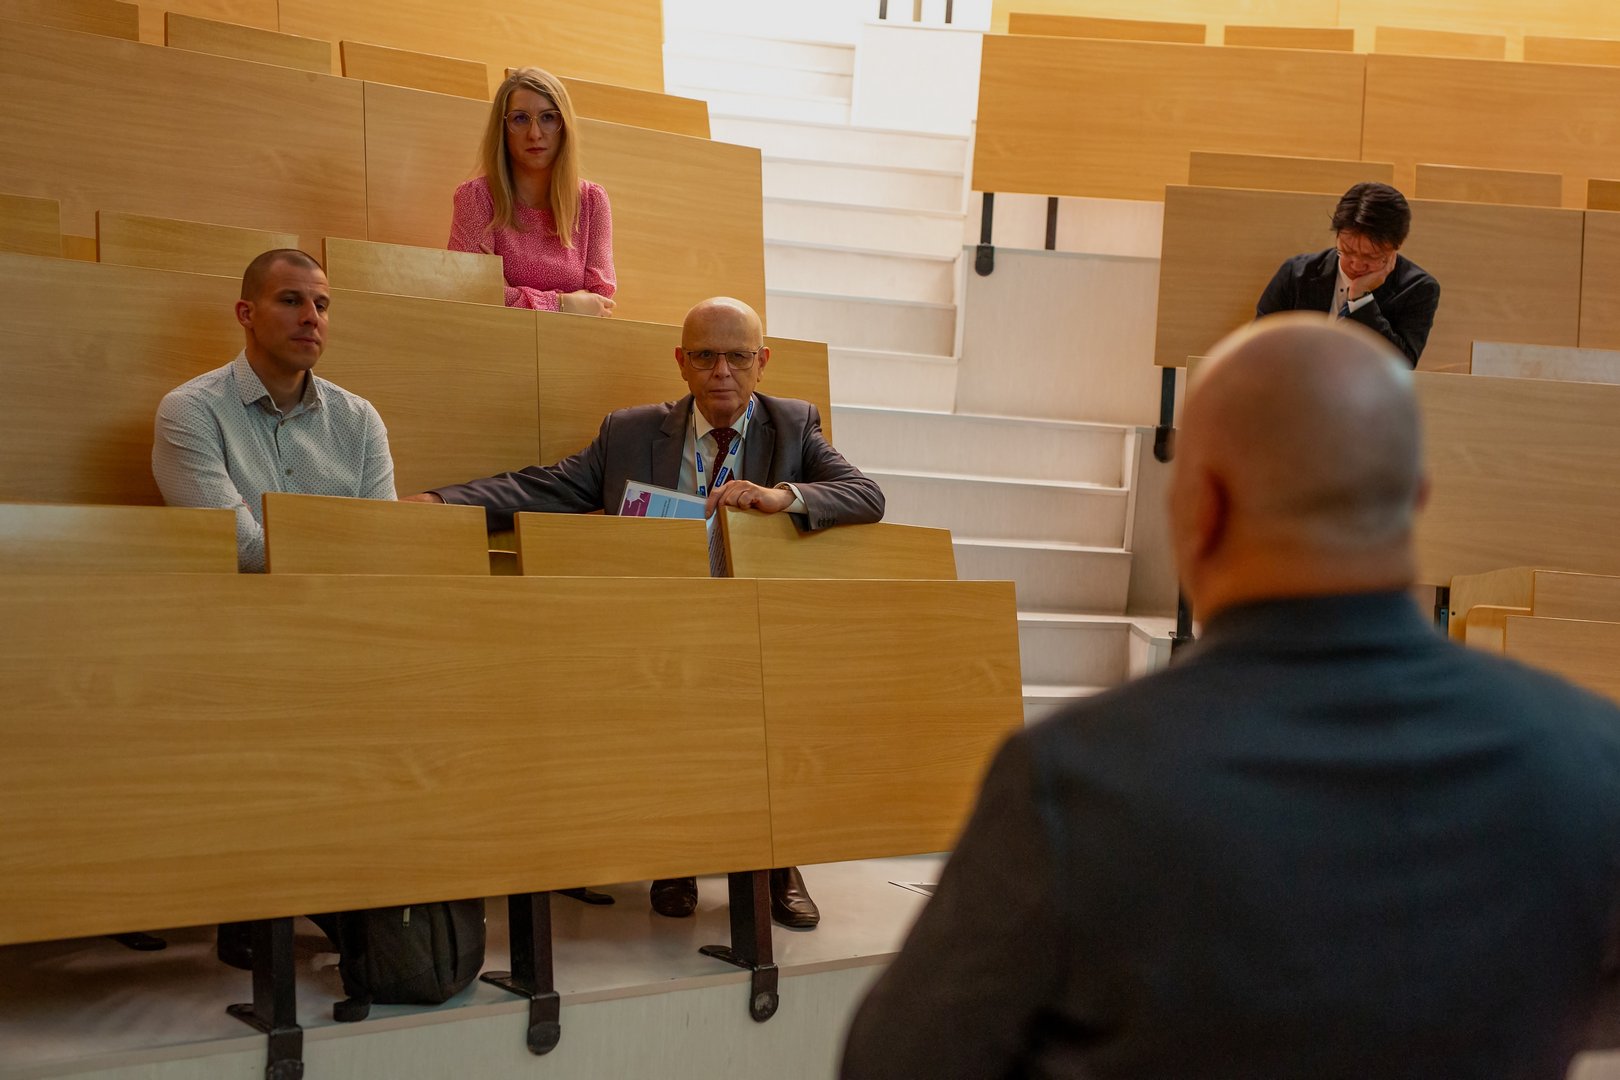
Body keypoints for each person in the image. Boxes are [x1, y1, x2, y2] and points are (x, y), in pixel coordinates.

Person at [840, 314, 1620, 1080]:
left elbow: (896, 1064)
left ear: (1202, 508)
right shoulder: (1591, 755)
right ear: (1415, 500)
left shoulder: (1074, 780)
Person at [404, 295, 885, 928]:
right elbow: (546, 486)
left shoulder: (793, 424)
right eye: (705, 356)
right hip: (658, 621)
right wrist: (441, 504)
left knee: (774, 689)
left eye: (738, 357)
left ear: (762, 362)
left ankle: (777, 859)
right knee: (649, 685)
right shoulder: (629, 432)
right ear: (681, 362)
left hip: (755, 622)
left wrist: (781, 496)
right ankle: (674, 856)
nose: (722, 371)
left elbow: (865, 494)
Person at [153, 249, 396, 575]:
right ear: (246, 314)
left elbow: (385, 541)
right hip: (236, 603)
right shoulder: (192, 410)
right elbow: (239, 548)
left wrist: (365, 551)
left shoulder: (360, 419)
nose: (311, 317)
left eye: (321, 306)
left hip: (349, 601)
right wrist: (351, 551)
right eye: (291, 301)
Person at [449, 66, 616, 315]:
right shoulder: (476, 197)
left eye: (548, 117)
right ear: (503, 129)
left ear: (564, 125)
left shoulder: (592, 201)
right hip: (494, 336)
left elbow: (599, 304)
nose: (535, 134)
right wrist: (564, 304)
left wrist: (508, 293)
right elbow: (470, 293)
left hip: (571, 339)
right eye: (520, 119)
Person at [1256, 181, 1440, 367]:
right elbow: (1259, 344)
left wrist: (1360, 299)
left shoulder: (1418, 289)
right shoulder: (1296, 273)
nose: (1356, 264)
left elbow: (1400, 365)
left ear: (1396, 247)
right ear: (1337, 236)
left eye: (1370, 256)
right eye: (1347, 250)